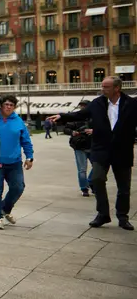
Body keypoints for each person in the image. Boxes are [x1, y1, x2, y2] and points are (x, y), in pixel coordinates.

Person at [47, 76, 137, 230]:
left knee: (124, 187)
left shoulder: (132, 104)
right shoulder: (97, 103)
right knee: (96, 179)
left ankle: (122, 217)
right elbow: (80, 114)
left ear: (117, 88)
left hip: (122, 151)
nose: (102, 89)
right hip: (101, 150)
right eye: (102, 86)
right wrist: (62, 116)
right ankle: (103, 214)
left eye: (106, 87)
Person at [0, 95, 34, 229]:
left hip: (14, 162)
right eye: (6, 104)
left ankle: (5, 209)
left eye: (11, 105)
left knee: (18, 187)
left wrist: (29, 157)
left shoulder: (18, 121)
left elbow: (26, 141)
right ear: (1, 106)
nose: (8, 107)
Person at [62, 100, 94, 197]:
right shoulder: (75, 118)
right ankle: (84, 188)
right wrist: (72, 132)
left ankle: (91, 181)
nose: (82, 108)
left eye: (84, 106)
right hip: (79, 145)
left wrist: (94, 131)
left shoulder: (95, 117)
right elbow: (66, 129)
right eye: (81, 106)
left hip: (93, 145)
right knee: (82, 169)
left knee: (98, 167)